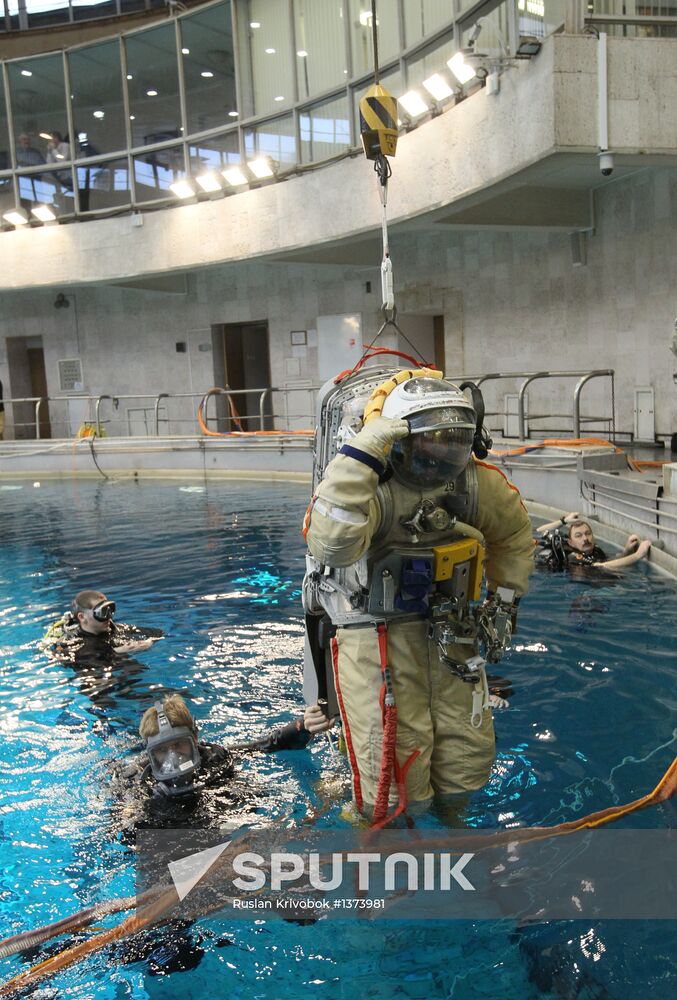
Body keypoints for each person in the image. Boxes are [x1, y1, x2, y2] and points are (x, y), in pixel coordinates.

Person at [302, 368, 534, 822]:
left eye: (451, 443)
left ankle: (455, 826)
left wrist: (504, 601)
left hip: (452, 629)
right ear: (395, 440)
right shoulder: (370, 486)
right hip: (376, 638)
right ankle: (384, 856)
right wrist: (365, 453)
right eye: (427, 445)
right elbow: (330, 541)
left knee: (466, 757)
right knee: (389, 767)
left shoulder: (470, 483)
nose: (438, 458)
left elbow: (512, 535)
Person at [113, 694, 312, 832]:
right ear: (150, 755)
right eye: (162, 750)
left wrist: (302, 726)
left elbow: (265, 745)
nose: (172, 757)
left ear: (195, 738)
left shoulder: (214, 760)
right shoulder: (141, 784)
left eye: (179, 745)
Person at [44, 589, 163, 663]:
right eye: (102, 612)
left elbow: (158, 633)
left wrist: (149, 642)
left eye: (110, 610)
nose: (108, 617)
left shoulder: (115, 629)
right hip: (93, 676)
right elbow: (73, 658)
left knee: (133, 667)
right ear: (82, 617)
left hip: (117, 667)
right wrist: (115, 652)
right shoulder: (72, 641)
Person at [535, 511, 651, 572]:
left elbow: (608, 560)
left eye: (588, 534)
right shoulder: (573, 556)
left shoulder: (594, 549)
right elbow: (602, 565)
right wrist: (637, 555)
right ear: (571, 543)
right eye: (579, 536)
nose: (585, 538)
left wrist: (627, 551)